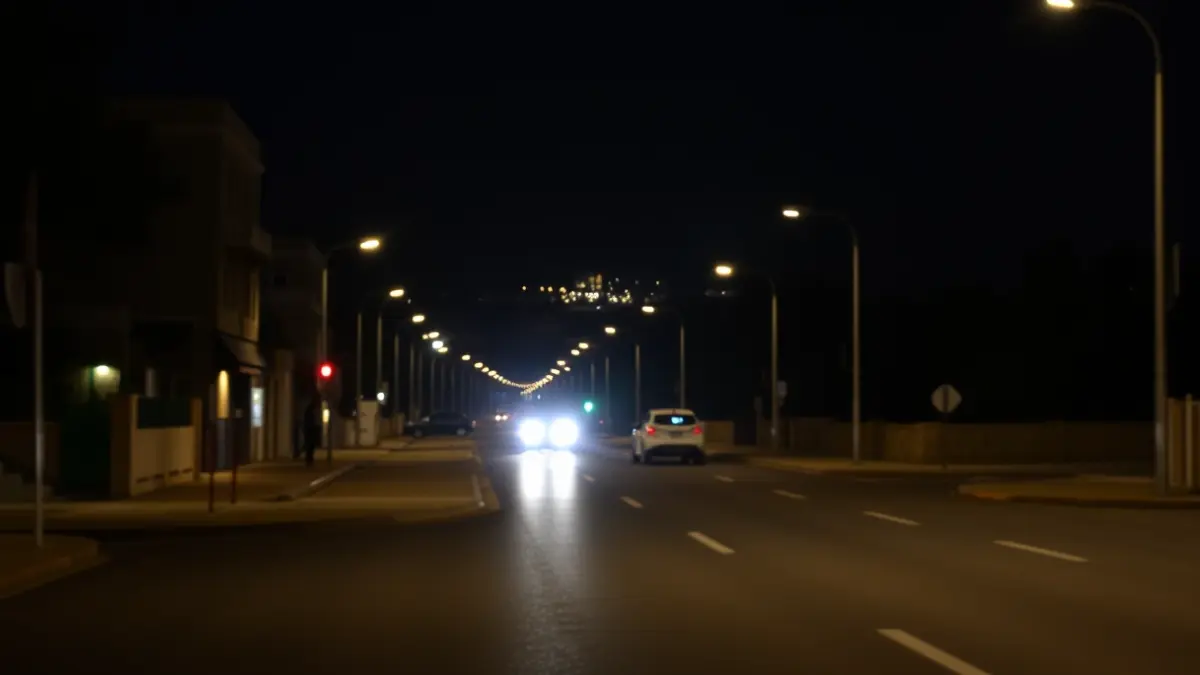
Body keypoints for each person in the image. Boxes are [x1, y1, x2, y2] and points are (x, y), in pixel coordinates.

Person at [302, 396, 322, 467]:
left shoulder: (311, 409)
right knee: (310, 446)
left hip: (310, 430)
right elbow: (311, 420)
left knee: (310, 446)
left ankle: (309, 460)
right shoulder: (311, 410)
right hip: (310, 430)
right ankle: (309, 460)